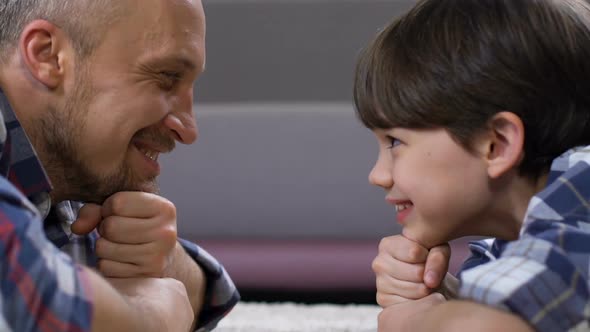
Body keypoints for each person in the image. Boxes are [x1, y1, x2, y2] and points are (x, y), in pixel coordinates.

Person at [0, 0, 239, 331]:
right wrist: (145, 319)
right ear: (47, 55)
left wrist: (168, 264)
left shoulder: (60, 179)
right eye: (167, 77)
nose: (188, 130)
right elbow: (23, 289)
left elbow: (205, 297)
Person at [353, 0, 590, 331]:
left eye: (395, 142)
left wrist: (420, 322)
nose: (377, 176)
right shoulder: (515, 237)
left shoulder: (580, 191)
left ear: (497, 145)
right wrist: (442, 293)